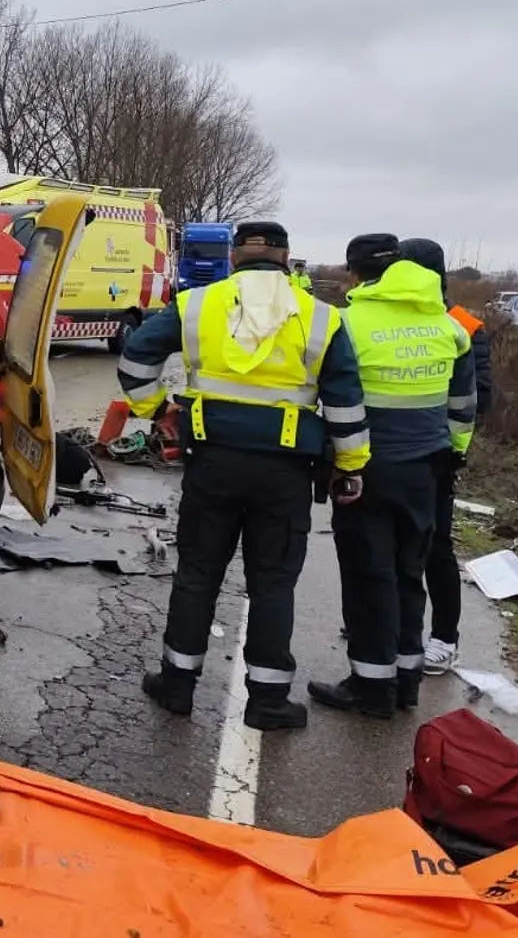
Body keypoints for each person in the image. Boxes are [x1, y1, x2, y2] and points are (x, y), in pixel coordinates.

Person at [122, 220, 370, 731]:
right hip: (284, 474)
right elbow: (345, 404)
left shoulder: (196, 304)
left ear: (235, 257)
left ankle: (177, 686)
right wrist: (351, 467)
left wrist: (158, 412)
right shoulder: (319, 317)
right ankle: (267, 702)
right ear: (286, 258)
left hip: (211, 464)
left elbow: (135, 357)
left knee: (196, 575)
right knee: (273, 583)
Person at [309, 235, 475, 719]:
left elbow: (329, 395)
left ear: (356, 274)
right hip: (428, 469)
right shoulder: (448, 327)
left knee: (368, 576)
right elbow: (464, 407)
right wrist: (454, 454)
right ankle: (406, 683)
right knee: (408, 573)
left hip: (365, 469)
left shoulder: (348, 322)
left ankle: (370, 688)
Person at [396, 238, 494, 676]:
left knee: (435, 548)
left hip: (437, 456)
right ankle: (399, 627)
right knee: (392, 545)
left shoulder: (463, 326)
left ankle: (444, 639)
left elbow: (482, 397)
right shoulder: (395, 321)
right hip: (395, 455)